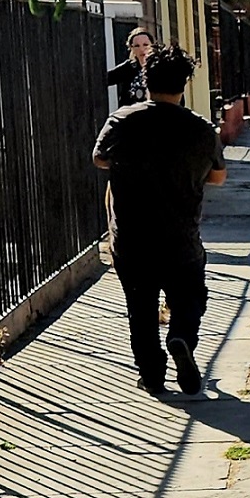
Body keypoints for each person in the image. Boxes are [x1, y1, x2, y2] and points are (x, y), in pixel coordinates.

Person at [93, 46, 227, 396]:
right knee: (190, 298)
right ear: (184, 83)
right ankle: (181, 336)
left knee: (140, 308)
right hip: (181, 237)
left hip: (131, 238)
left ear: (146, 79)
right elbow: (218, 177)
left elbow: (99, 159)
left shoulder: (122, 120)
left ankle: (152, 375)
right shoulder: (200, 128)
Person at [105, 26, 154, 105]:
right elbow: (104, 80)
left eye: (145, 45)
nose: (142, 49)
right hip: (131, 111)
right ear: (132, 48)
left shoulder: (159, 66)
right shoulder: (128, 67)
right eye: (137, 46)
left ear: (152, 46)